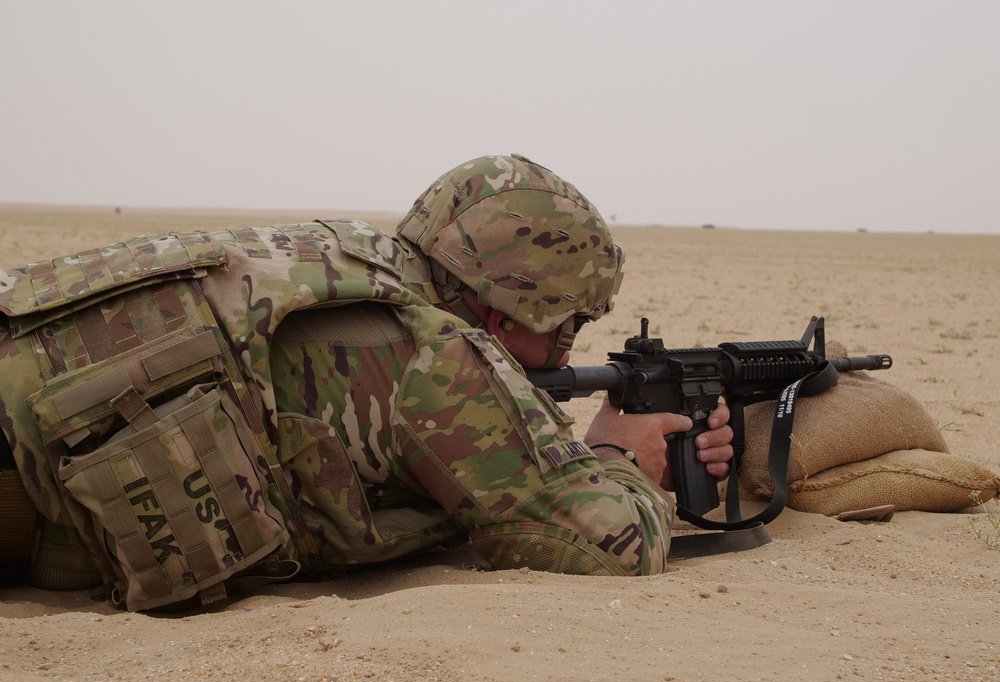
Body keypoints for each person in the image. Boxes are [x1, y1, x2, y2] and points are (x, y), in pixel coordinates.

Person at [0, 154, 732, 611]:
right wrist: (619, 456)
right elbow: (609, 547)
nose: (567, 345)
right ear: (516, 309)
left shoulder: (342, 261)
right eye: (566, 321)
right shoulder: (440, 357)